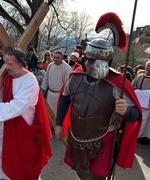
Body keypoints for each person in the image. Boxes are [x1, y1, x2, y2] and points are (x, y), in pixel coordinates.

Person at [55, 38, 142, 180]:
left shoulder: (117, 84)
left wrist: (126, 111)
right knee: (80, 171)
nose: (87, 63)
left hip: (104, 139)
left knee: (97, 176)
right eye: (86, 58)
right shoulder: (75, 77)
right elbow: (64, 99)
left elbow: (136, 115)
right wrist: (59, 124)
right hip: (76, 136)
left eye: (92, 60)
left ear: (105, 62)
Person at [0, 47, 52, 180]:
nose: (6, 67)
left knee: (23, 168)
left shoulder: (29, 80)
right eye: (5, 62)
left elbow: (19, 106)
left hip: (23, 132)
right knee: (0, 161)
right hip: (5, 128)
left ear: (21, 63)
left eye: (10, 64)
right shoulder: (7, 76)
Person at [41, 50, 72, 116]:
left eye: (57, 58)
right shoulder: (50, 65)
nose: (55, 59)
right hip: (50, 94)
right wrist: (43, 90)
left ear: (62, 58)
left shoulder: (67, 68)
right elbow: (46, 78)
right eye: (54, 57)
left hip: (59, 96)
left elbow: (67, 84)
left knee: (57, 113)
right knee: (48, 113)